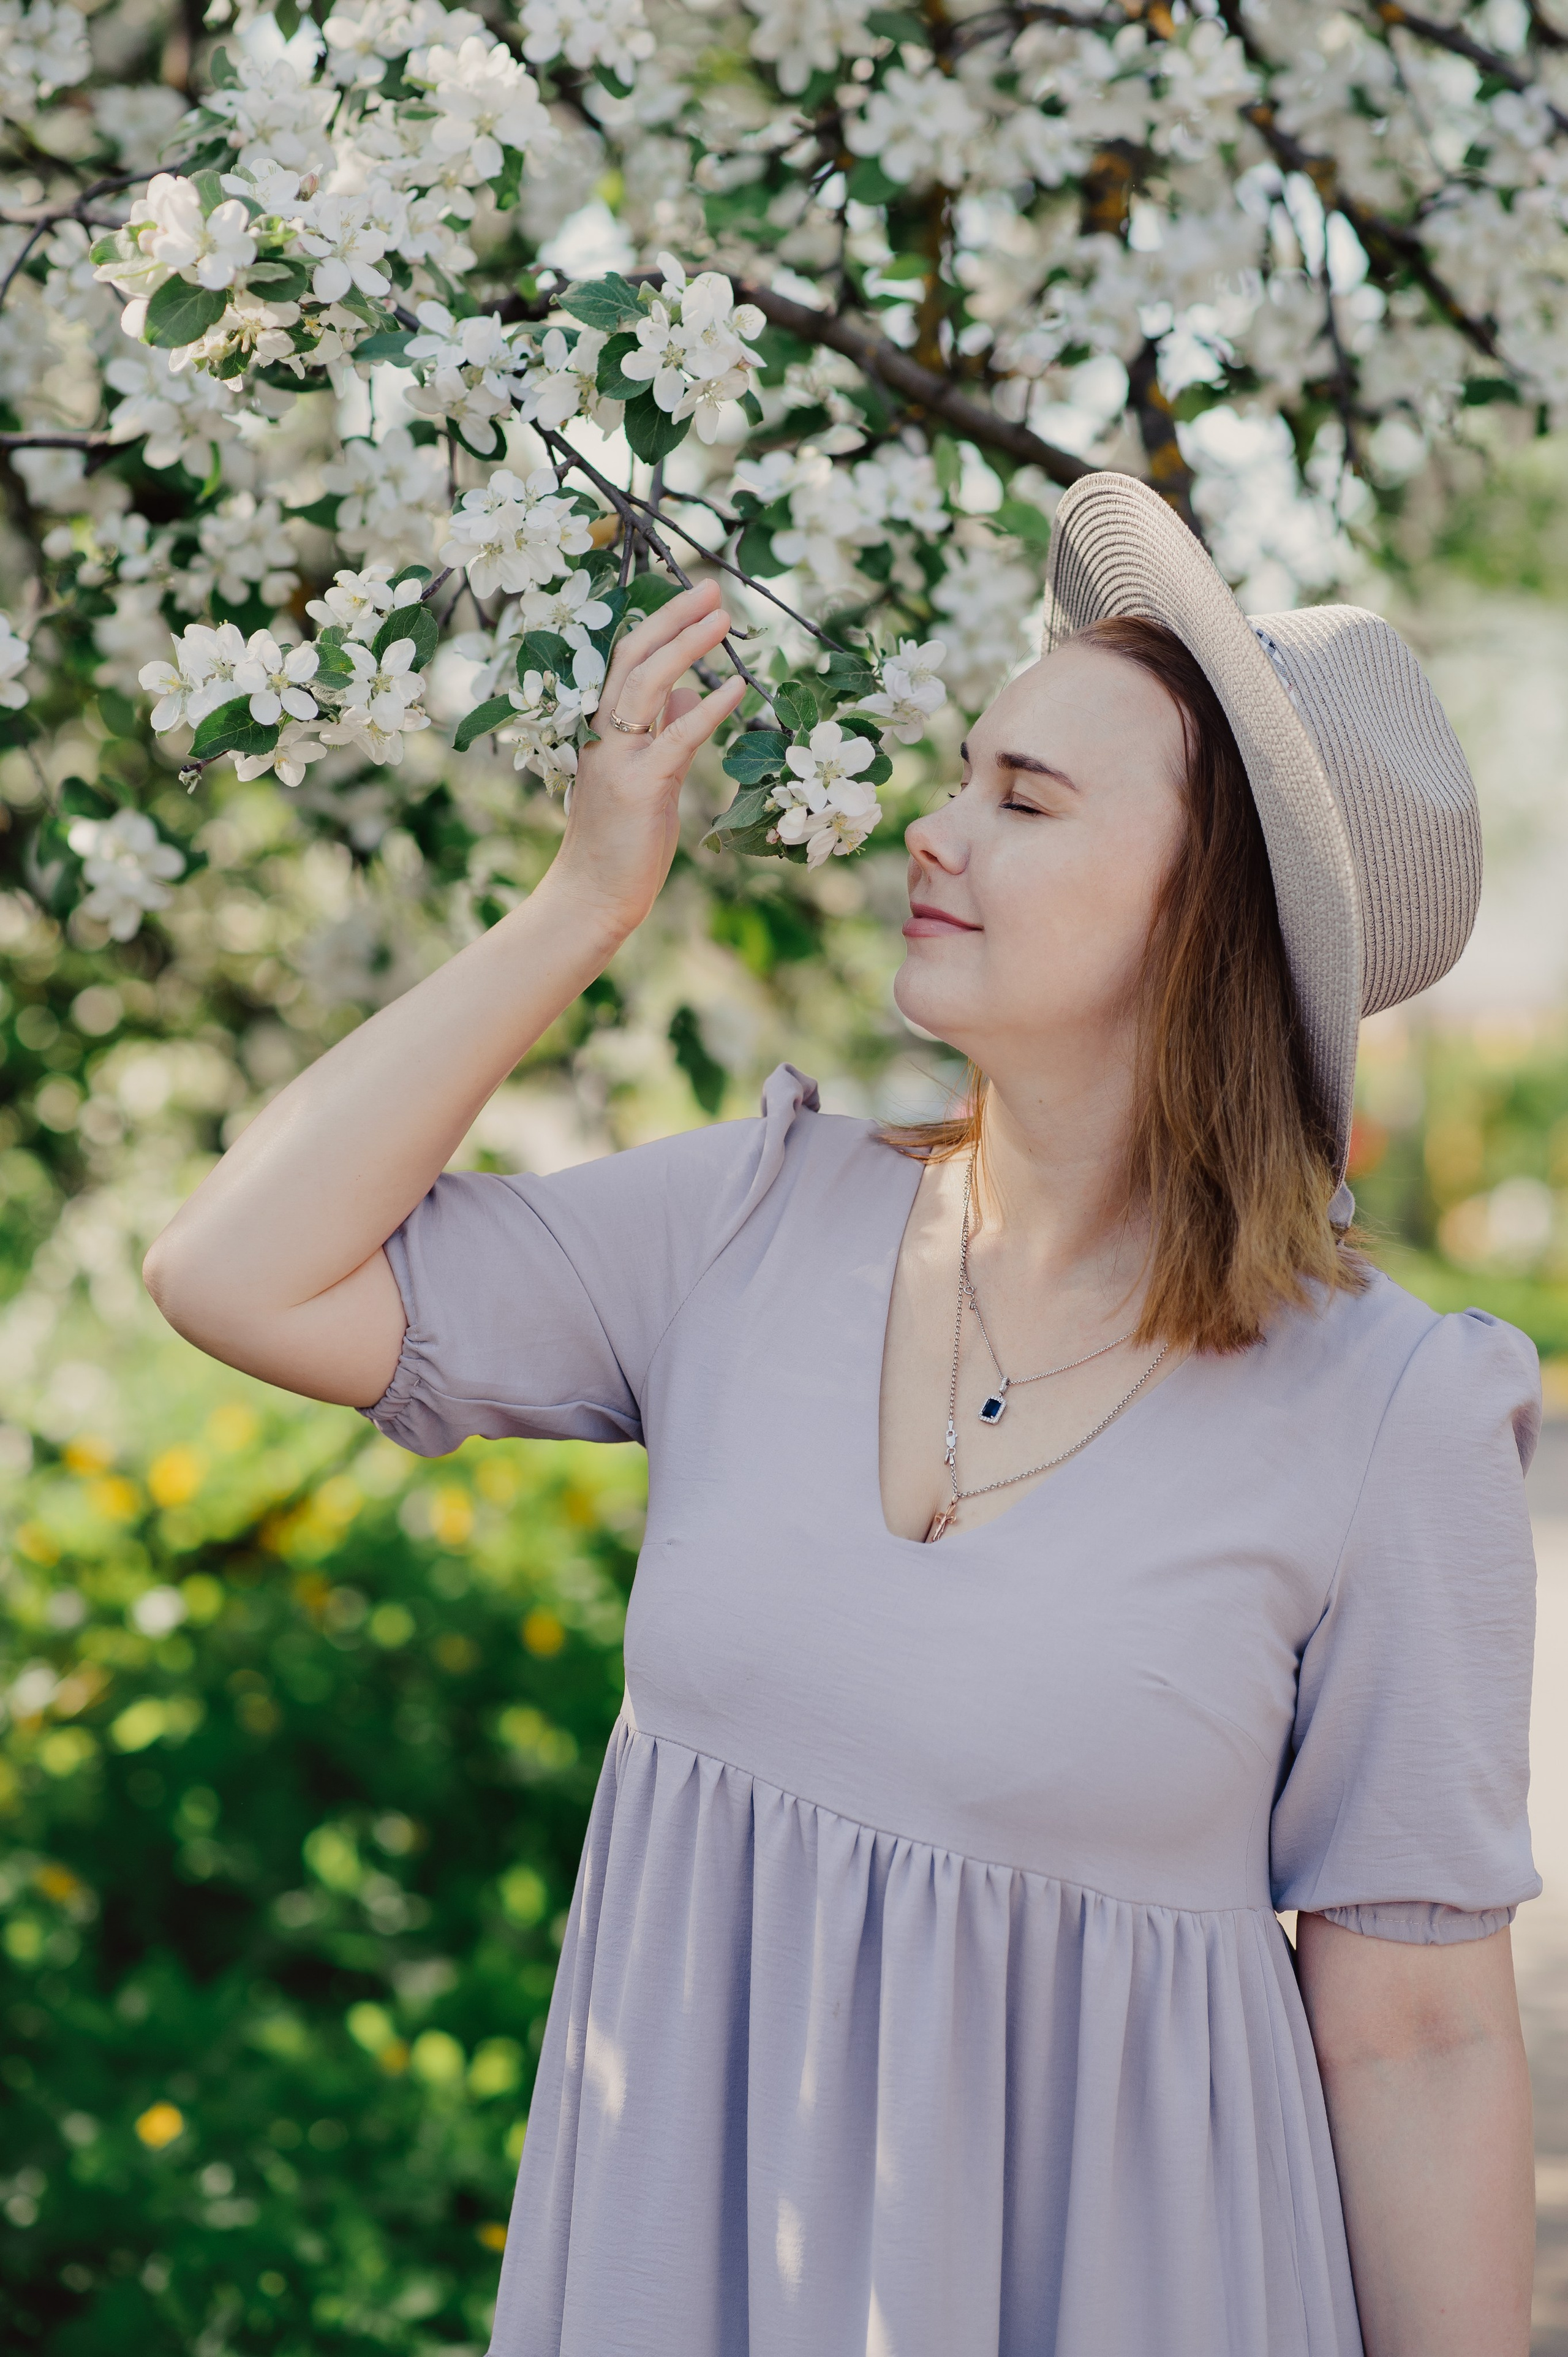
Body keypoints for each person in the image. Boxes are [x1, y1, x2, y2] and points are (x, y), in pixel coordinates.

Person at [143, 470, 1542, 2357]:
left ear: (1207, 907)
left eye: (1025, 802)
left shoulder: (1394, 1411)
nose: (935, 830)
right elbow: (233, 1270)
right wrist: (579, 904)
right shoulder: (747, 1220)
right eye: (967, 772)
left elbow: (1420, 2035)